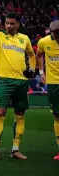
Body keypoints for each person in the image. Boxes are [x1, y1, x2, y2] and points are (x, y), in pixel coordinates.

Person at [0, 13, 36, 160]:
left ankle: (15, 149)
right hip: (5, 81)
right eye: (7, 23)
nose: (9, 26)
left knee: (20, 115)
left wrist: (32, 69)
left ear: (18, 24)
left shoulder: (24, 39)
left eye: (12, 23)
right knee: (0, 113)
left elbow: (32, 55)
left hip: (22, 81)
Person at [35, 20, 59, 160]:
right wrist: (41, 72)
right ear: (51, 32)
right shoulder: (44, 42)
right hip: (53, 83)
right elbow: (39, 55)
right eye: (56, 35)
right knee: (57, 116)